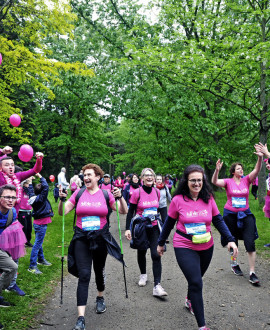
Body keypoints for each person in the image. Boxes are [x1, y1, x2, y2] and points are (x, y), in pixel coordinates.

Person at [157, 165, 238, 330]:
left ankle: (189, 299)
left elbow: (218, 220)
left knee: (196, 279)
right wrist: (160, 242)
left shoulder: (209, 198)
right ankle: (202, 326)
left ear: (203, 181)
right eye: (192, 180)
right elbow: (168, 223)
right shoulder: (178, 200)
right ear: (186, 181)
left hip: (207, 246)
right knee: (196, 281)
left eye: (199, 180)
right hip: (184, 245)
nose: (196, 183)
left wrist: (230, 239)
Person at [58, 163, 128, 330]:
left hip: (100, 238)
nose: (86, 177)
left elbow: (122, 211)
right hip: (82, 238)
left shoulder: (105, 194)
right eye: (84, 175)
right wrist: (61, 201)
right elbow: (63, 212)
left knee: (99, 269)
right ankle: (80, 318)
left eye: (89, 174)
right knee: (84, 275)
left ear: (98, 177)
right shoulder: (79, 193)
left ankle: (100, 297)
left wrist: (120, 197)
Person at [211, 148, 263, 285]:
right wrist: (217, 170)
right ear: (233, 171)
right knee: (232, 240)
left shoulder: (247, 180)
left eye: (242, 168)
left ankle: (252, 272)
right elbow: (215, 181)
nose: (241, 170)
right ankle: (234, 263)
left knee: (250, 242)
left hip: (245, 214)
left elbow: (256, 170)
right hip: (230, 215)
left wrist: (259, 158)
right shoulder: (228, 182)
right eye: (238, 169)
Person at [0, 151, 43, 295]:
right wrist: (2, 153)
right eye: (7, 165)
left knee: (15, 257)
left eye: (12, 164)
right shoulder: (0, 177)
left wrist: (39, 159)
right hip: (1, 224)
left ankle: (11, 284)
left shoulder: (17, 177)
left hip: (14, 224)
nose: (11, 167)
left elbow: (35, 170)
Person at [125, 168, 167, 296]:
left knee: (156, 254)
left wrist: (165, 227)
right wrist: (128, 228)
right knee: (142, 251)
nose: (149, 177)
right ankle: (143, 275)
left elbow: (161, 210)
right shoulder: (137, 193)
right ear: (142, 178)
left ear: (154, 178)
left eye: (151, 175)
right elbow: (130, 211)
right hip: (141, 227)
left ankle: (157, 286)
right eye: (146, 175)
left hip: (154, 226)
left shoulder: (157, 192)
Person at [28, 173, 54, 274]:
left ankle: (41, 259)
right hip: (41, 224)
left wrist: (30, 182)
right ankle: (32, 266)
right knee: (37, 244)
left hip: (37, 223)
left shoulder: (33, 197)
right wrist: (40, 176)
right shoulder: (41, 199)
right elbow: (46, 187)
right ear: (42, 192)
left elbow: (30, 190)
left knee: (39, 242)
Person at [0, 184, 19, 309]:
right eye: (7, 197)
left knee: (11, 268)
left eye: (13, 197)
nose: (11, 200)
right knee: (11, 267)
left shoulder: (12, 212)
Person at [18, 178, 33, 247]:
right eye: (27, 184)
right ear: (23, 184)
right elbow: (20, 183)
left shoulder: (29, 191)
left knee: (29, 228)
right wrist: (28, 178)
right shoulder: (21, 190)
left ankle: (28, 241)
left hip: (29, 211)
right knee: (24, 227)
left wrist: (30, 182)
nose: (28, 185)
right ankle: (22, 242)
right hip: (22, 212)